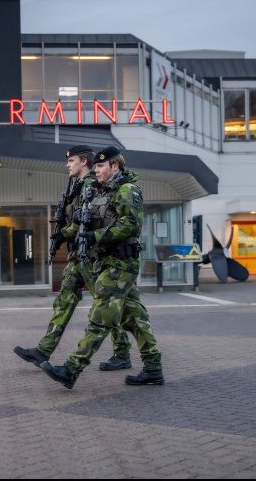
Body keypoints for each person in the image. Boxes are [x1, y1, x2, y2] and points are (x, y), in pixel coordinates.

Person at [40, 146, 164, 389]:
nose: (96, 170)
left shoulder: (128, 191)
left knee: (100, 316)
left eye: (100, 166)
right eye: (95, 165)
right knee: (135, 318)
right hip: (105, 262)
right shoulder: (101, 192)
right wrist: (65, 234)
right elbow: (82, 223)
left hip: (121, 264)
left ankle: (71, 369)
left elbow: (130, 225)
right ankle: (153, 368)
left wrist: (96, 236)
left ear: (114, 167)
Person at [14, 145, 133, 370]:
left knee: (106, 305)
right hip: (78, 256)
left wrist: (70, 233)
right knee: (65, 300)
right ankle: (43, 350)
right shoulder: (76, 186)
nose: (68, 165)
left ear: (83, 162)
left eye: (71, 161)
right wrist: (62, 234)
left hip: (92, 257)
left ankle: (122, 353)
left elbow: (91, 221)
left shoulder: (91, 186)